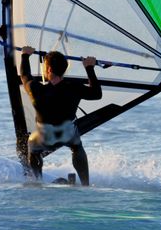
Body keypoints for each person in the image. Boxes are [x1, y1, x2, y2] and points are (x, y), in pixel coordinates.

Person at [18, 46, 102, 186]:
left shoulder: (36, 89)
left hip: (45, 136)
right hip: (67, 133)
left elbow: (24, 75)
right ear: (64, 69)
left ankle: (37, 181)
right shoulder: (74, 87)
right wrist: (89, 68)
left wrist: (25, 56)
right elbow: (96, 94)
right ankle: (85, 184)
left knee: (32, 146)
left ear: (49, 70)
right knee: (77, 147)